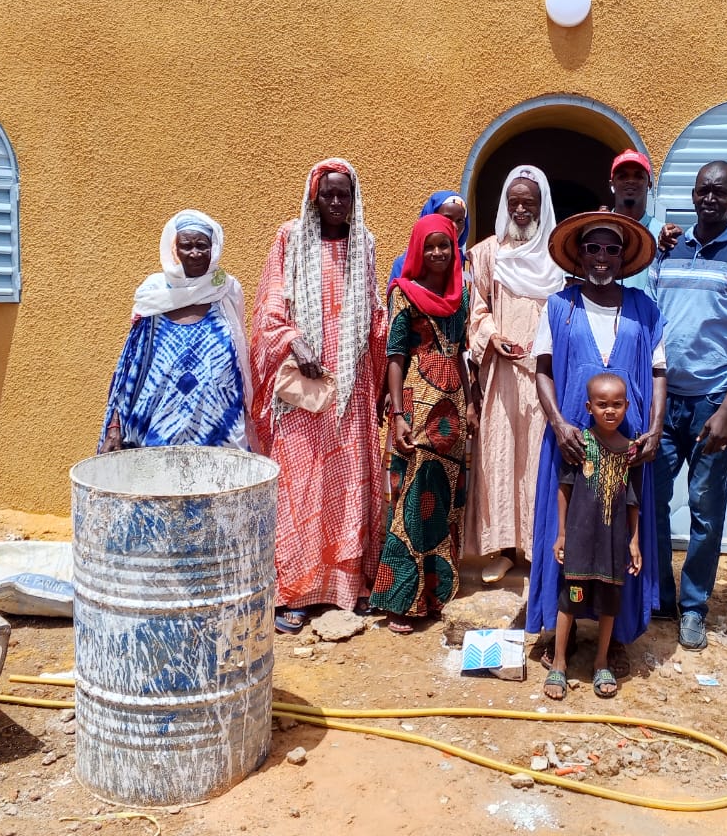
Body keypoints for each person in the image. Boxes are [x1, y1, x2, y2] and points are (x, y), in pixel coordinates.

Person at [249, 158, 387, 634]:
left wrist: (386, 381)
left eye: (342, 195)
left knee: (349, 483)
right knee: (301, 483)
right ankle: (296, 593)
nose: (334, 202)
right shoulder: (289, 238)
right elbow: (269, 306)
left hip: (352, 388)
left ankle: (348, 588)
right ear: (314, 197)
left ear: (354, 199)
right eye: (326, 194)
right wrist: (293, 340)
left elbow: (374, 312)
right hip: (304, 393)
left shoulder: (364, 244)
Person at [528, 211, 665, 679]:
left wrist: (657, 427)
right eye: (593, 248)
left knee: (620, 541)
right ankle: (558, 633)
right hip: (572, 443)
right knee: (566, 532)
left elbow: (659, 372)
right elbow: (542, 368)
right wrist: (558, 422)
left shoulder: (644, 308)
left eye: (612, 249)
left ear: (624, 257)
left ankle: (617, 637)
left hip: (628, 448)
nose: (602, 257)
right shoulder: (558, 306)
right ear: (579, 254)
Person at [650, 161, 727, 651]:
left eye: (721, 192)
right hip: (662, 400)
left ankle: (694, 606)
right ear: (693, 195)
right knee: (652, 500)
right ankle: (658, 593)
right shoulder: (668, 249)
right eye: (703, 190)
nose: (710, 198)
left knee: (705, 508)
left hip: (712, 403)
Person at [370, 214, 475, 633]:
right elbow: (396, 357)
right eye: (429, 246)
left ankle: (433, 595)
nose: (437, 253)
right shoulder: (404, 295)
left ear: (454, 250)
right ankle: (401, 601)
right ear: (418, 248)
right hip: (416, 408)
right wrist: (396, 414)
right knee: (410, 504)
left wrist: (470, 404)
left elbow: (461, 355)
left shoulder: (460, 296)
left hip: (452, 414)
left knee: (444, 505)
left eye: (444, 246)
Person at [466, 166, 563, 583]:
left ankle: (535, 549)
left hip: (545, 374)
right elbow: (477, 308)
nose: (522, 209)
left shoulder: (556, 257)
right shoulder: (488, 253)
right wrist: (493, 336)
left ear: (543, 207)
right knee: (501, 457)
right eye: (515, 202)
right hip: (503, 374)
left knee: (538, 460)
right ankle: (503, 548)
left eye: (530, 202)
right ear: (505, 205)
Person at [99, 209, 254, 453]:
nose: (195, 253)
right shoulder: (154, 293)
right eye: (186, 246)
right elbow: (130, 367)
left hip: (221, 433)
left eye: (202, 245)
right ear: (175, 249)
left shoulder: (226, 290)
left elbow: (241, 360)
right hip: (156, 430)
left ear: (214, 247)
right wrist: (115, 425)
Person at [543, 372, 643, 700]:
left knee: (609, 605)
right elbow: (564, 489)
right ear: (589, 407)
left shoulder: (630, 452)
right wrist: (560, 535)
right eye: (602, 405)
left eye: (617, 404)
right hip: (581, 543)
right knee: (570, 601)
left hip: (613, 546)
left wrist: (634, 541)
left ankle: (601, 661)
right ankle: (559, 661)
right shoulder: (580, 444)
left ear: (627, 406)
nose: (610, 411)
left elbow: (632, 500)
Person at [387, 191, 469, 294]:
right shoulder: (404, 265)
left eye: (460, 221)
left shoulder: (466, 265)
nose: (454, 226)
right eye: (446, 218)